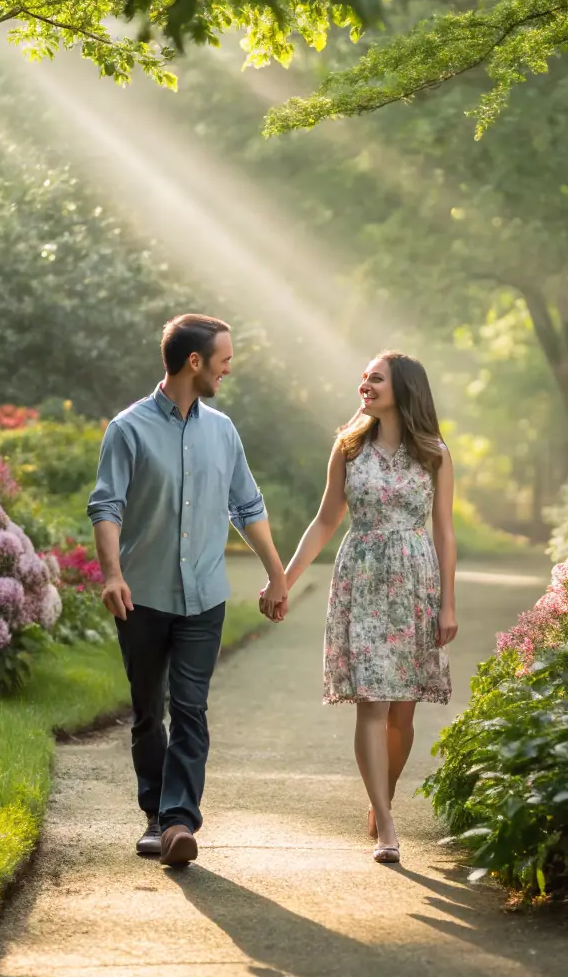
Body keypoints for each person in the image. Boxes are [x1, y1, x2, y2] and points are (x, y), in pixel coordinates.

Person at [89, 313, 289, 867]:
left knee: (192, 708)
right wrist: (112, 574)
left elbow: (246, 506)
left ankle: (179, 821)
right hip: (143, 596)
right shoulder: (127, 429)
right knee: (150, 711)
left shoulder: (222, 431)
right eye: (223, 358)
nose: (229, 368)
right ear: (194, 362)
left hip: (204, 597)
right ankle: (154, 814)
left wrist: (276, 572)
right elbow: (107, 506)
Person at [262, 351, 457, 863]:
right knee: (372, 702)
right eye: (363, 377)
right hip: (363, 580)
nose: (365, 385)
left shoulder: (434, 452)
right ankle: (387, 822)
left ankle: (383, 795)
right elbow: (326, 520)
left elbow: (444, 530)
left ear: (404, 389)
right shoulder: (348, 449)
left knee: (402, 712)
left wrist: (448, 606)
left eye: (376, 378)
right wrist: (283, 579)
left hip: (417, 582)